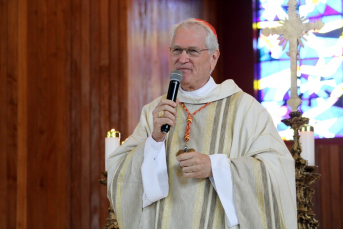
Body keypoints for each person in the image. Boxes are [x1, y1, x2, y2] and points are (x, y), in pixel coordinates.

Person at [107, 18, 297, 229]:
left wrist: (216, 167)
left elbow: (276, 169)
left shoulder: (245, 109)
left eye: (192, 51)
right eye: (177, 50)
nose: (182, 58)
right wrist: (155, 140)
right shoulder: (156, 110)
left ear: (214, 57)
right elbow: (120, 172)